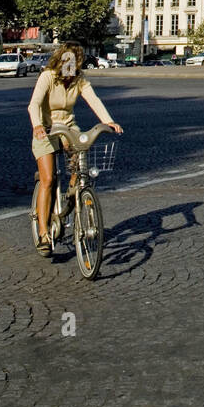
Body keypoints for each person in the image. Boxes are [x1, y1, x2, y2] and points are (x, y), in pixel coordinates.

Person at [28, 42, 122, 255]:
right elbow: (33, 104)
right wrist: (37, 126)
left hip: (68, 126)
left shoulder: (79, 80)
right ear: (60, 62)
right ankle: (43, 232)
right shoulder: (48, 77)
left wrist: (109, 121)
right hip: (46, 128)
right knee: (49, 179)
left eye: (76, 65)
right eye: (69, 64)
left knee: (80, 167)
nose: (72, 70)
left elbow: (94, 100)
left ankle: (74, 196)